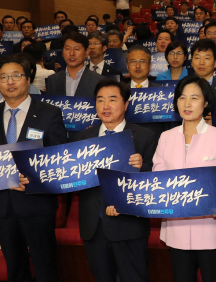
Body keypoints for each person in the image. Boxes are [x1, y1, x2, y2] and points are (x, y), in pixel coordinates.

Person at [0, 54, 67, 282]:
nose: (10, 81)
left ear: (28, 79)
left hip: (36, 203)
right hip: (3, 205)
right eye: (3, 77)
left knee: (45, 266)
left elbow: (58, 158)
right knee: (15, 267)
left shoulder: (49, 112)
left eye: (16, 75)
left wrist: (32, 178)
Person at [65, 79, 156, 281]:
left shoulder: (144, 136)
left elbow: (155, 183)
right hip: (93, 226)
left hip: (129, 225)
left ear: (125, 104)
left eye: (112, 100)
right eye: (100, 100)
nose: (105, 106)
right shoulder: (82, 139)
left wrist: (142, 168)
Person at [152, 74, 216, 281]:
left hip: (210, 229)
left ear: (205, 103)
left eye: (194, 98)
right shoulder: (166, 137)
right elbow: (157, 180)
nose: (187, 103)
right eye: (182, 97)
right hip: (176, 229)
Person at [45, 32, 104, 97]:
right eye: (67, 49)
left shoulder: (99, 81)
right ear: (62, 52)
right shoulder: (52, 80)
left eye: (76, 49)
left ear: (87, 52)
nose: (72, 53)